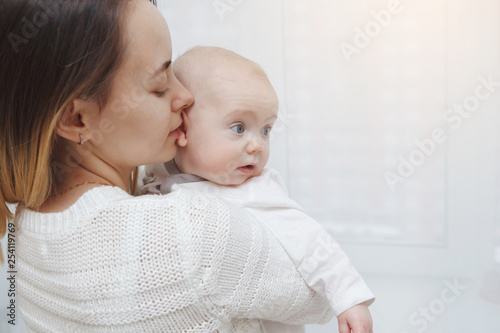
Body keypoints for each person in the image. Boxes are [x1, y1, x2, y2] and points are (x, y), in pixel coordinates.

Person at [0, 1, 338, 332]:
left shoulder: (21, 233)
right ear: (78, 119)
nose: (186, 96)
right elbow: (322, 296)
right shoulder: (193, 231)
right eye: (161, 85)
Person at [140, 46, 375, 333]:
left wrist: (349, 299)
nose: (257, 145)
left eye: (265, 130)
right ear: (183, 127)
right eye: (239, 128)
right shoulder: (158, 173)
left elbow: (311, 240)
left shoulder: (256, 189)